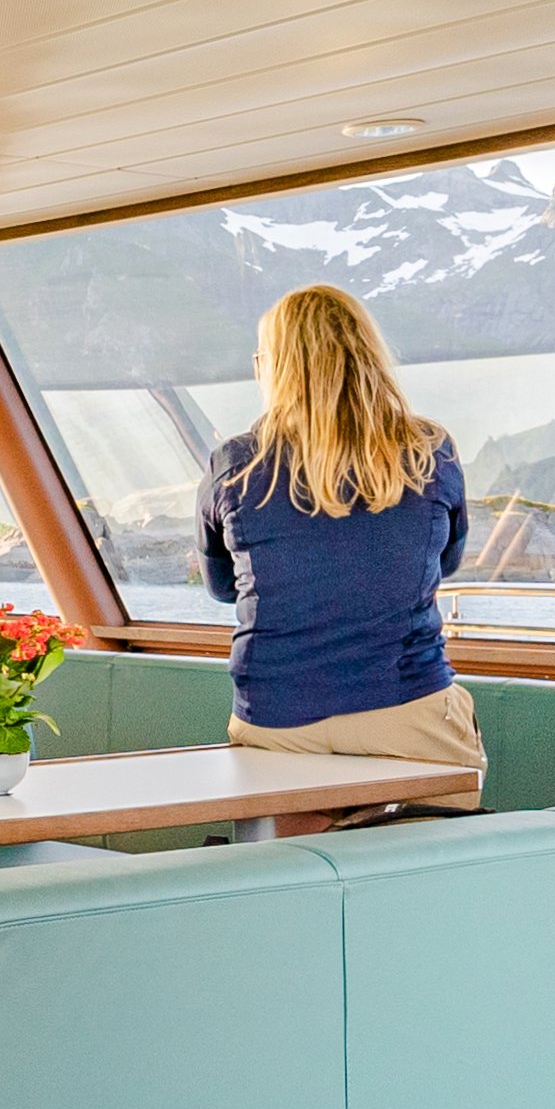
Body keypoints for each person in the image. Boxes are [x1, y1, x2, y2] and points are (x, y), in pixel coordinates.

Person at [198, 285, 482, 791]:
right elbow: (447, 560)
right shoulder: (428, 452)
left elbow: (223, 588)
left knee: (284, 868)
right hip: (407, 710)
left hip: (274, 717)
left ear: (274, 368)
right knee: (433, 866)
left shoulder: (235, 465)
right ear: (370, 356)